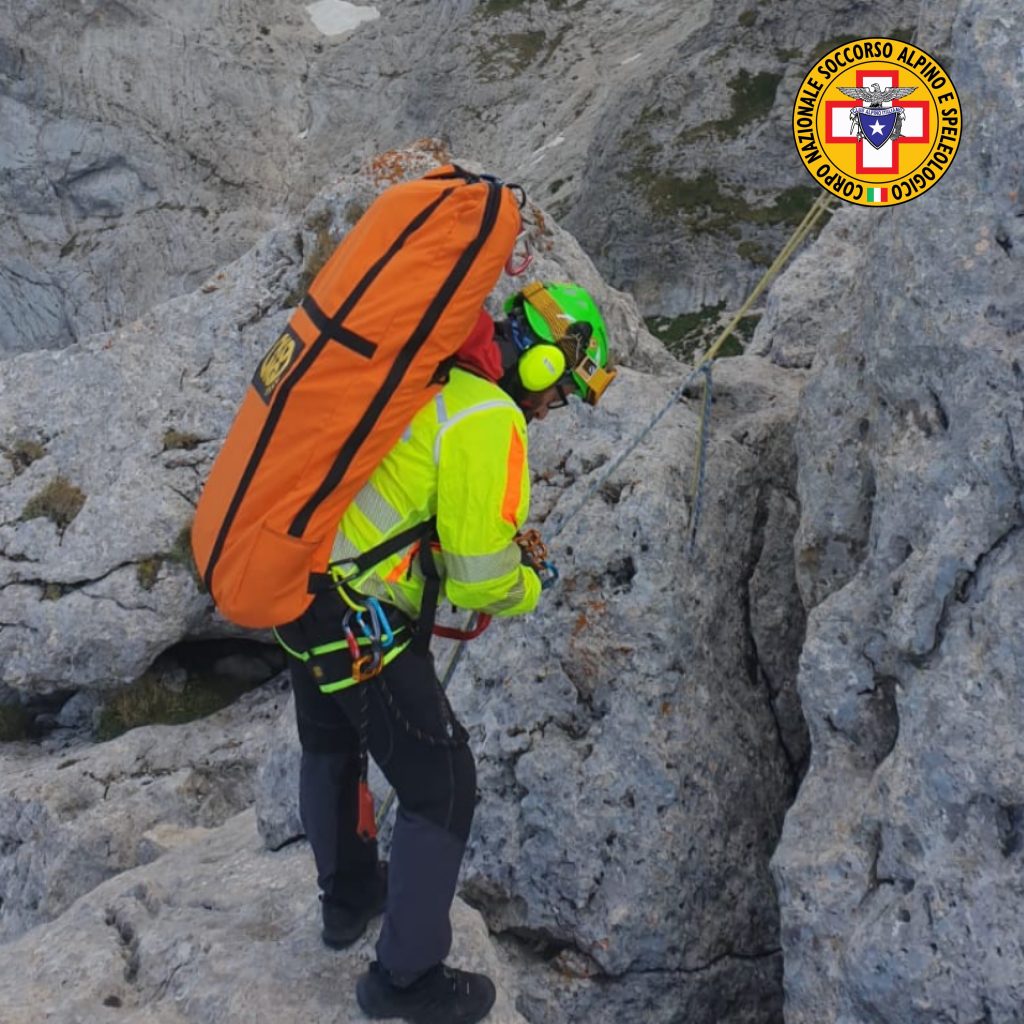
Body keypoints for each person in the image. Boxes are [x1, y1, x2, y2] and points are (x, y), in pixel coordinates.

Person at [276, 281, 614, 1024]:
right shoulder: (488, 419)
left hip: (306, 589)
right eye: (560, 387)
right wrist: (528, 584)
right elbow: (478, 574)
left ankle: (349, 898)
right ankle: (405, 982)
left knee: (330, 743)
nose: (554, 407)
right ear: (544, 361)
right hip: (365, 618)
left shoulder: (434, 376)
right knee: (444, 786)